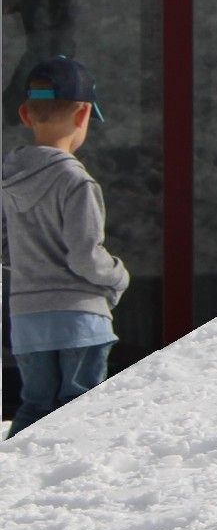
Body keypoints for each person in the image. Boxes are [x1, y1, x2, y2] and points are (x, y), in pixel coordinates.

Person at [1, 56, 128, 438]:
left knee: (35, 408)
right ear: (83, 115)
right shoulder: (77, 183)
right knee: (79, 414)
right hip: (79, 319)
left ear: (26, 114)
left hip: (27, 320)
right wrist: (118, 276)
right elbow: (85, 255)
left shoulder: (8, 180)